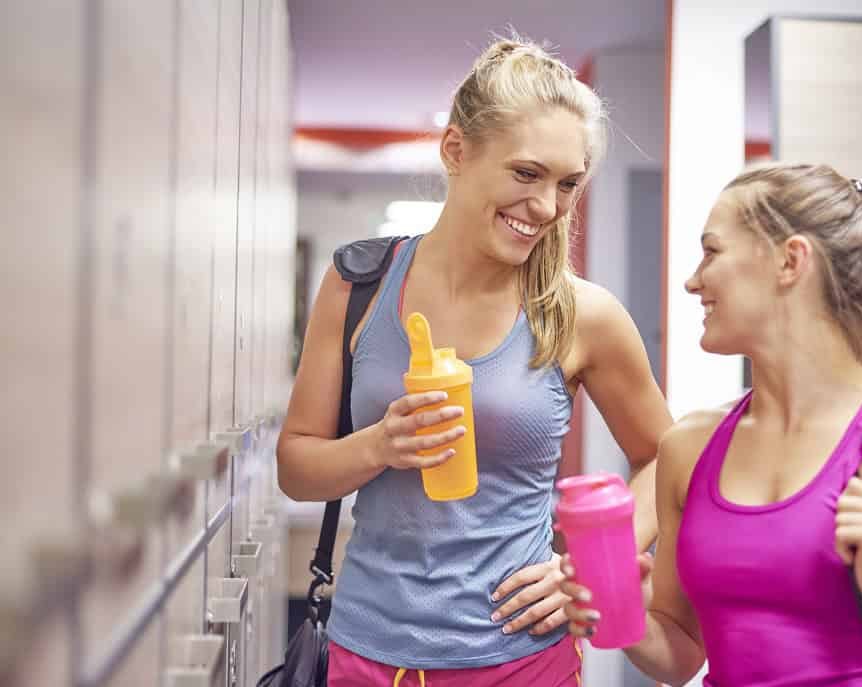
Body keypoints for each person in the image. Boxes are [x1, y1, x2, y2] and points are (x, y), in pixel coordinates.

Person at [276, 36, 672, 687]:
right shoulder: (357, 287)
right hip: (366, 654)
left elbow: (668, 454)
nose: (546, 207)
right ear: (456, 151)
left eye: (567, 184)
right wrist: (381, 443)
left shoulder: (582, 314)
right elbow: (297, 463)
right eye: (525, 174)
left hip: (521, 659)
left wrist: (596, 563)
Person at [560, 162, 862, 686]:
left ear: (790, 261)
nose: (693, 281)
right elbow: (683, 652)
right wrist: (625, 613)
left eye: (712, 251)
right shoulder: (689, 446)